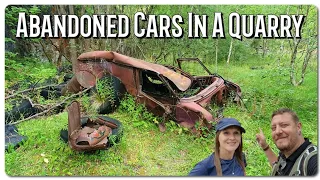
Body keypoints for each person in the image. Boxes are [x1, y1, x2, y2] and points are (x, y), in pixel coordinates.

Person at [256, 108, 317, 176]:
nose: (277, 131)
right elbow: (278, 168)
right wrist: (265, 146)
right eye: (274, 128)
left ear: (298, 127)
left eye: (284, 125)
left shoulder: (314, 161)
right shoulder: (286, 155)